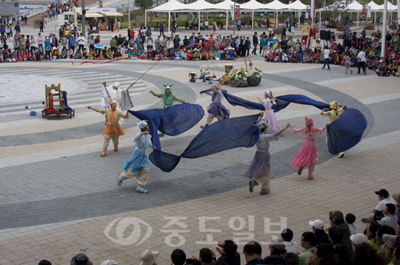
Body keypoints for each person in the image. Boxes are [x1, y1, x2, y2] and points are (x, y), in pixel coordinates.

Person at [246, 112, 290, 195]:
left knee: (260, 170)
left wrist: (260, 117)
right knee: (266, 172)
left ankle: (265, 189)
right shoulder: (265, 137)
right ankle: (255, 182)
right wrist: (285, 128)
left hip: (258, 154)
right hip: (264, 155)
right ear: (264, 129)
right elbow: (275, 134)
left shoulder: (257, 135)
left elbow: (257, 126)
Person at [117, 121, 157, 194]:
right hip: (137, 155)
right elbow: (135, 138)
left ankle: (140, 186)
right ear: (144, 128)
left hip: (143, 156)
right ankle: (122, 176)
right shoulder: (139, 135)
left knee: (145, 169)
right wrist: (143, 133)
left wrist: (152, 146)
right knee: (133, 172)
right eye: (147, 125)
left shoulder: (146, 135)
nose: (148, 126)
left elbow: (147, 143)